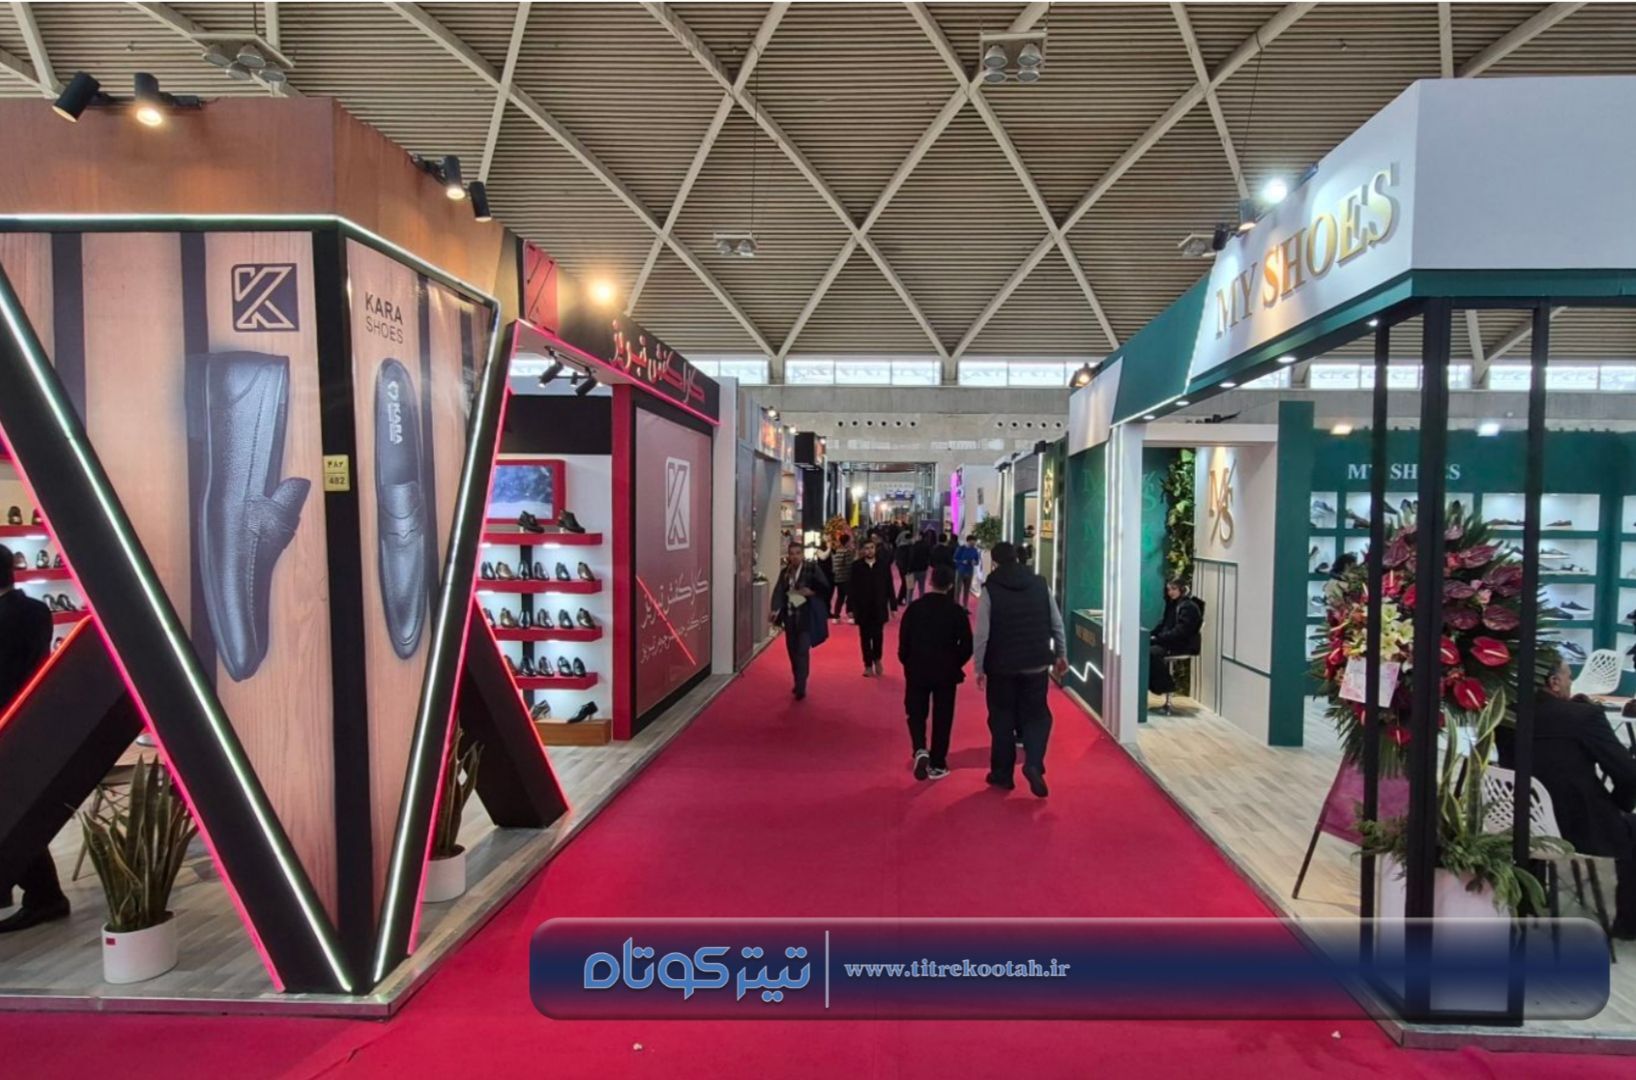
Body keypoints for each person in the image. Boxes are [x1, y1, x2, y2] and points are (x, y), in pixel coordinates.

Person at [1500, 658, 1636, 937]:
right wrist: (1619, 805)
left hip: (1523, 823)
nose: (1571, 682)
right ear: (1554, 682)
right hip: (1577, 828)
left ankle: (1531, 899)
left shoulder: (1506, 717)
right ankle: (1629, 925)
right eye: (1568, 676)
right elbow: (1628, 774)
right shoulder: (1584, 717)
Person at [0, 545, 65, 933]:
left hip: (8, 725)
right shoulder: (36, 611)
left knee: (11, 813)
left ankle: (43, 894)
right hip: (30, 720)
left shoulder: (7, 619)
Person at [973, 542, 1066, 798]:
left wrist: (979, 666)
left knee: (1001, 718)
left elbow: (982, 633)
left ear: (995, 562)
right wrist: (1061, 654)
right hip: (1036, 662)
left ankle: (1002, 775)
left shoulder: (990, 589)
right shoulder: (1040, 584)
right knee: (1037, 716)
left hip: (1001, 666)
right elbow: (1056, 623)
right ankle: (1033, 762)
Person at [898, 565, 972, 780]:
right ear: (950, 585)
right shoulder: (957, 612)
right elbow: (967, 645)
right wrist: (955, 662)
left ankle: (920, 747)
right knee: (943, 715)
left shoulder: (915, 609)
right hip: (946, 672)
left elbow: (904, 641)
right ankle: (938, 761)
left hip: (917, 668)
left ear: (931, 582)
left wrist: (907, 661)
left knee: (915, 711)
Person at [770, 541, 828, 701]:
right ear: (788, 556)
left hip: (806, 616)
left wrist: (812, 592)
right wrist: (775, 609)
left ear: (802, 554)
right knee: (792, 651)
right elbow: (779, 591)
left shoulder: (812, 569)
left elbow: (825, 587)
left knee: (802, 651)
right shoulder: (785, 573)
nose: (795, 556)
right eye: (792, 554)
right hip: (790, 617)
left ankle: (801, 685)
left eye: (797, 553)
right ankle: (797, 678)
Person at [1149, 579, 1203, 697]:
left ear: (1182, 590)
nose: (1170, 592)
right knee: (1144, 648)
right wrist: (1149, 635)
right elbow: (1163, 625)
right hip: (1169, 641)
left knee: (1150, 652)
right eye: (1169, 589)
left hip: (1181, 644)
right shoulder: (1173, 605)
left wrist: (1158, 638)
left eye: (1174, 589)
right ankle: (1157, 685)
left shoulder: (1188, 607)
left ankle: (1165, 686)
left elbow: (1181, 632)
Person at [849, 537, 894, 677]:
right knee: (865, 637)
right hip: (862, 608)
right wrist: (850, 608)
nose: (869, 551)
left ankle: (877, 659)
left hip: (879, 606)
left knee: (878, 636)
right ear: (862, 550)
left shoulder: (883, 565)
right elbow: (852, 588)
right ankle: (867, 665)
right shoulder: (856, 566)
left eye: (871, 548)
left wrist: (893, 606)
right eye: (866, 548)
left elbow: (889, 586)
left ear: (875, 549)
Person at [829, 532, 855, 622]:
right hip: (846, 578)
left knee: (840, 597)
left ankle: (836, 616)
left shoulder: (838, 551)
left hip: (838, 578)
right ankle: (850, 615)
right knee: (851, 596)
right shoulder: (847, 552)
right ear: (847, 542)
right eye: (850, 541)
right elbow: (849, 565)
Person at [954, 535, 981, 610]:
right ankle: (956, 605)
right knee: (958, 589)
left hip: (969, 571)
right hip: (960, 571)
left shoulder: (975, 550)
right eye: (973, 542)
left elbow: (977, 561)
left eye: (974, 543)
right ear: (968, 541)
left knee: (967, 589)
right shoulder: (961, 548)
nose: (974, 544)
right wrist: (962, 561)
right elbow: (955, 559)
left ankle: (965, 606)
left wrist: (974, 562)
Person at [894, 526, 914, 607]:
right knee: (907, 584)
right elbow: (909, 559)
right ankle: (902, 598)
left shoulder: (900, 547)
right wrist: (907, 569)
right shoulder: (908, 548)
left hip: (903, 568)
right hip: (907, 569)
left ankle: (904, 598)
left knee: (906, 584)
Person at [909, 530, 932, 600]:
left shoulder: (913, 546)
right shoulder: (927, 545)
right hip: (922, 569)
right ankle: (921, 601)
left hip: (912, 570)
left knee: (910, 588)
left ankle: (909, 602)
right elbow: (929, 556)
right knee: (921, 587)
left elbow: (910, 558)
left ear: (920, 536)